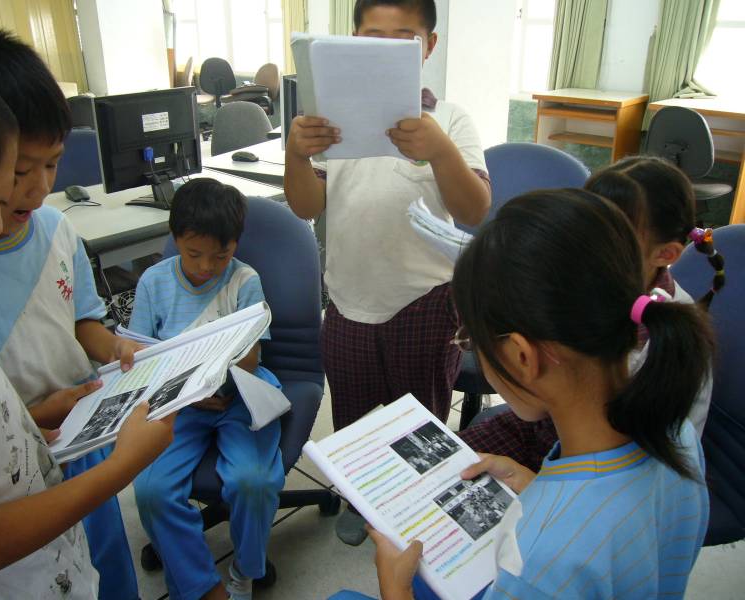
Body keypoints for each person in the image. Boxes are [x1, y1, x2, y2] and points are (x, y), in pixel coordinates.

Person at [333, 188, 712, 599]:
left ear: (521, 356)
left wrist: (395, 590)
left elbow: (559, 556)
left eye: (470, 339)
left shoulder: (538, 558)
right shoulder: (676, 433)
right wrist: (534, 486)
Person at [0, 58, 174, 599]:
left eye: (51, 166)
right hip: (11, 508)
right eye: (7, 185)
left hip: (68, 434)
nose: (32, 193)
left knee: (100, 564)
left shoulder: (53, 231)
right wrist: (124, 466)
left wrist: (114, 350)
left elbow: (80, 319)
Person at [284, 0, 491, 545]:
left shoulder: (450, 119)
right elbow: (306, 205)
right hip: (348, 299)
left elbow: (474, 209)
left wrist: (439, 150)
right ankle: (362, 496)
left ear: (429, 45)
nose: (387, 49)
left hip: (425, 301)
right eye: (374, 37)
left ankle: (420, 504)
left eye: (404, 38)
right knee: (353, 417)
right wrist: (297, 155)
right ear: (353, 40)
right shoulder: (333, 122)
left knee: (421, 423)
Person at [458, 155, 723, 471]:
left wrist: (534, 483)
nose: (587, 246)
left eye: (613, 236)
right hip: (552, 422)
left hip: (603, 463)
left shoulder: (663, 338)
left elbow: (638, 470)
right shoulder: (588, 286)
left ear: (665, 254)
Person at [128, 178, 284, 600]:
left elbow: (251, 357)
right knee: (152, 489)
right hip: (178, 402)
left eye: (221, 255)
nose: (205, 267)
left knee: (252, 480)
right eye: (193, 253)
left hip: (238, 395)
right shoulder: (154, 283)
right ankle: (197, 585)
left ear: (235, 245)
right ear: (175, 238)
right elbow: (141, 360)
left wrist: (220, 372)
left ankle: (245, 572)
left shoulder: (244, 280)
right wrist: (189, 391)